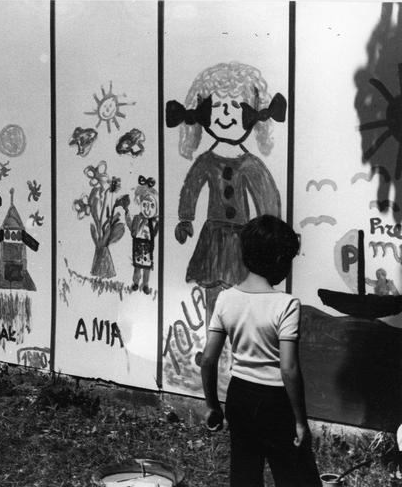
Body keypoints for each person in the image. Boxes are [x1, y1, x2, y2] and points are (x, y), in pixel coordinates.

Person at [200, 215, 320, 487]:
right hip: (276, 402)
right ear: (279, 260)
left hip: (239, 396)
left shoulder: (225, 298)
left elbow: (208, 360)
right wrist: (301, 421)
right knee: (293, 475)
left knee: (244, 473)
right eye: (289, 259)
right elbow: (288, 369)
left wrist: (211, 406)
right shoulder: (286, 305)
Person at [167, 62, 284, 329]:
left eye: (234, 106)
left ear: (252, 115)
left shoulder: (251, 164)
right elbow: (191, 188)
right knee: (214, 294)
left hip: (242, 241)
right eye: (218, 107)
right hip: (214, 238)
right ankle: (214, 340)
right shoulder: (206, 162)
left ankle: (237, 340)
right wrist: (186, 218)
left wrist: (272, 232)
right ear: (203, 115)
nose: (226, 114)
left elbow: (266, 196)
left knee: (242, 293)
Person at [124, 175, 159, 295]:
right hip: (139, 245)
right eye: (145, 205)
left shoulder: (153, 221)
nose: (147, 209)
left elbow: (154, 232)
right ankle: (135, 282)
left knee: (147, 268)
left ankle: (146, 284)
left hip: (148, 246)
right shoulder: (138, 218)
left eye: (151, 206)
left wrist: (158, 223)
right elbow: (131, 227)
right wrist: (127, 215)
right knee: (138, 266)